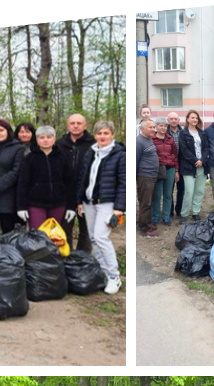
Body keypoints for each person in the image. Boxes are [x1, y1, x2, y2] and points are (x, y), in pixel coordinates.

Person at [77, 119, 125, 294]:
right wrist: (79, 201)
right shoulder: (91, 153)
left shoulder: (120, 155)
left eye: (105, 133)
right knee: (93, 238)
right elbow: (83, 178)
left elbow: (123, 183)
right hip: (89, 203)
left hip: (108, 204)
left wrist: (119, 208)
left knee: (101, 237)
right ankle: (103, 271)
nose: (102, 136)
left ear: (112, 135)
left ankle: (114, 276)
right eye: (99, 133)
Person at [55, 113, 95, 251]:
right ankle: (66, 260)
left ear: (85, 126)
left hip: (87, 193)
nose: (75, 126)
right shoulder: (59, 144)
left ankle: (83, 263)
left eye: (79, 123)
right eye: (72, 123)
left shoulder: (94, 144)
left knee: (87, 231)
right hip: (65, 194)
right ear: (68, 125)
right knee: (65, 229)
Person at [151, 118, 178, 226]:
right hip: (157, 169)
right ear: (156, 127)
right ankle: (155, 216)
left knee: (168, 194)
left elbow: (175, 155)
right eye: (161, 125)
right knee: (157, 194)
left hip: (170, 168)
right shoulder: (152, 139)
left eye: (165, 126)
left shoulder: (170, 139)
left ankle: (166, 216)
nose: (163, 128)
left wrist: (176, 170)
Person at [135, 119, 158, 237]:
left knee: (148, 202)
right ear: (142, 128)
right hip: (145, 177)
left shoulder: (148, 140)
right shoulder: (138, 141)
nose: (153, 129)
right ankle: (145, 229)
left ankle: (146, 223)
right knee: (145, 203)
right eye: (150, 127)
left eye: (154, 127)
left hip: (152, 176)